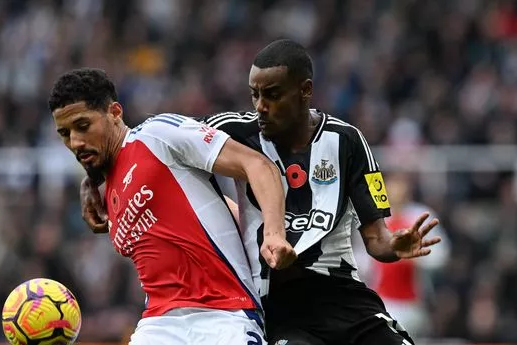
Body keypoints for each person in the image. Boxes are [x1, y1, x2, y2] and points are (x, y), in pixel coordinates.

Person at [79, 40, 442, 345]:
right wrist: (93, 178)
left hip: (342, 295)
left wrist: (394, 247)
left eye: (271, 95)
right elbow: (150, 143)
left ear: (305, 90)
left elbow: (376, 240)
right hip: (277, 305)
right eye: (254, 94)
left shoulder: (347, 141)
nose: (260, 106)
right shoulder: (235, 130)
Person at [48, 68, 296, 345]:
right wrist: (92, 181)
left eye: (83, 126)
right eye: (64, 133)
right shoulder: (106, 193)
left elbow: (257, 165)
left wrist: (275, 233)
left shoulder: (157, 135)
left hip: (223, 315)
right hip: (158, 324)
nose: (75, 142)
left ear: (115, 112)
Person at [364, 172, 450, 338]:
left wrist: (414, 258)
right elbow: (362, 260)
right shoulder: (374, 219)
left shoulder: (420, 216)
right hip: (380, 300)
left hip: (413, 303)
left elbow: (441, 255)